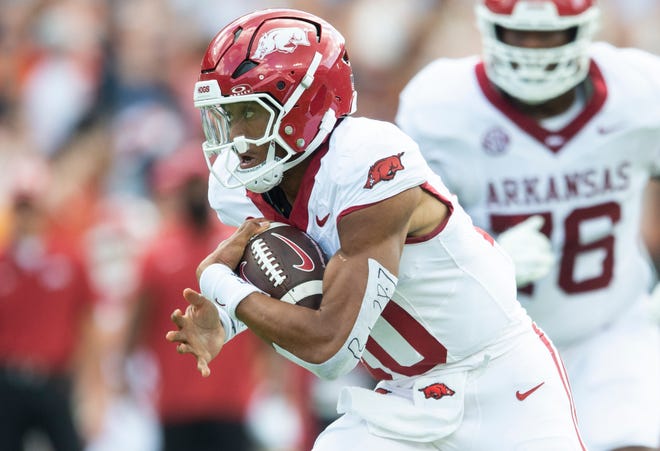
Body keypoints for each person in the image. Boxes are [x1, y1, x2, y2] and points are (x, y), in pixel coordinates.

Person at [166, 8, 588, 450]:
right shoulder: (240, 190)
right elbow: (306, 286)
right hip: (404, 399)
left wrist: (219, 282)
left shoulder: (367, 163)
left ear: (303, 106)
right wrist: (232, 320)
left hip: (502, 385)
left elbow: (330, 346)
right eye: (227, 115)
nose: (234, 135)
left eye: (248, 114)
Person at [395, 1, 660, 451]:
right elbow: (403, 243)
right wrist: (487, 261)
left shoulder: (640, 91)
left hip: (611, 329)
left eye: (549, 36)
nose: (534, 50)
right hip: (495, 344)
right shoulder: (441, 106)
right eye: (520, 35)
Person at [0, 155, 96, 451]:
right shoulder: (4, 262)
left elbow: (87, 325)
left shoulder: (69, 258)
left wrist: (91, 387)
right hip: (8, 381)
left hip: (55, 379)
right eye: (23, 207)